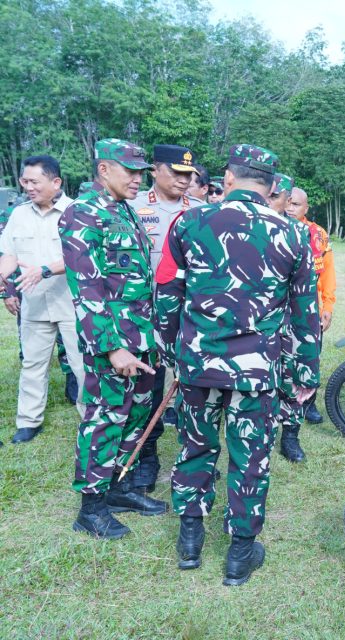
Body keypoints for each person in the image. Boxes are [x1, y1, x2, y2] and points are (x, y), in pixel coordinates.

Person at [156, 144, 319, 585]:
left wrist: (173, 352)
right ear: (269, 186)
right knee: (251, 459)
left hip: (198, 367)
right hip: (256, 372)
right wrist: (306, 374)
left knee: (196, 448)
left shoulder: (189, 222)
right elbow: (306, 314)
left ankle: (190, 544)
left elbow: (167, 292)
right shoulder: (294, 235)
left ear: (228, 179)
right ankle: (239, 557)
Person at [61, 138, 165, 539]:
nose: (138, 179)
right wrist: (112, 347)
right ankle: (90, 507)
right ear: (104, 169)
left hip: (141, 340)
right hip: (113, 346)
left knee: (135, 417)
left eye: (141, 172)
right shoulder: (83, 213)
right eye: (130, 171)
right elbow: (87, 289)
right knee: (105, 420)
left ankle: (117, 488)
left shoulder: (124, 210)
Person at [129, 144, 203, 493]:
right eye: (176, 172)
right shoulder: (133, 209)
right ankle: (148, 457)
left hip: (190, 315)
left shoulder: (203, 212)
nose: (183, 180)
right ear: (155, 170)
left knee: (194, 389)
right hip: (147, 313)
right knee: (150, 387)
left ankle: (196, 457)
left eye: (188, 174)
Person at [0, 155, 85, 443]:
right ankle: (28, 421)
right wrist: (3, 275)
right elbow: (10, 252)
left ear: (55, 182)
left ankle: (91, 418)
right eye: (25, 181)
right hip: (34, 301)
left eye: (34, 181)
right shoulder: (19, 214)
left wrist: (45, 269)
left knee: (82, 363)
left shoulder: (77, 211)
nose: (28, 187)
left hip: (72, 302)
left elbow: (82, 256)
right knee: (33, 363)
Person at [286, 186, 335, 429]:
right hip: (281, 308)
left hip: (309, 309)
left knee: (310, 356)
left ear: (306, 208)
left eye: (296, 204)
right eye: (288, 202)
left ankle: (309, 403)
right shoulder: (274, 227)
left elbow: (327, 275)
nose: (290, 208)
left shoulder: (318, 234)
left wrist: (327, 306)